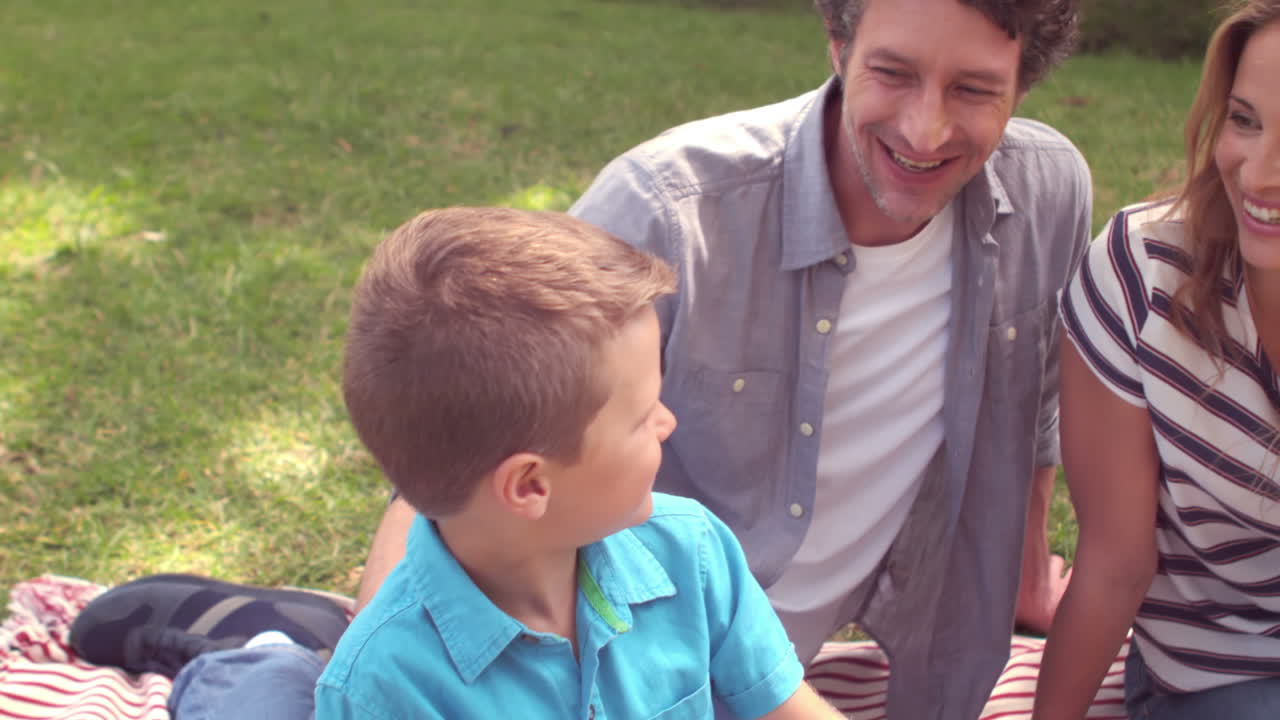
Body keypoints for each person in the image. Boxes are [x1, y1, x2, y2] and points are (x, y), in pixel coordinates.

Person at [357, 0, 1090, 717]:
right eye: (893, 73)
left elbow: (1033, 411)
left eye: (973, 90)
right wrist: (398, 663)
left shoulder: (1048, 194)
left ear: (1022, 86)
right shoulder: (669, 209)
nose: (924, 130)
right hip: (637, 666)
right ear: (838, 46)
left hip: (771, 676)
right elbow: (463, 455)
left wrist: (1027, 579)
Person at [75, 207, 845, 720]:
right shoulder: (385, 687)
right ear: (530, 485)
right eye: (644, 417)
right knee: (273, 696)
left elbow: (786, 708)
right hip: (313, 688)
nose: (668, 423)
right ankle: (255, 653)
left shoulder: (693, 552)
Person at [1032, 2, 1280, 718]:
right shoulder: (1143, 275)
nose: (1259, 175)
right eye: (1245, 121)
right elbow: (1115, 564)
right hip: (1218, 666)